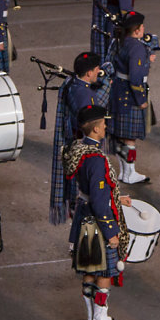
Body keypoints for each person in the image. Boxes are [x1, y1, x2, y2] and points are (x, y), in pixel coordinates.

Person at [63, 104, 134, 320]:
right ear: (95, 130)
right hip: (97, 221)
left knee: (90, 271)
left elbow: (93, 191)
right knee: (104, 273)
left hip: (84, 217)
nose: (106, 126)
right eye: (103, 124)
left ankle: (92, 318)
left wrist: (117, 197)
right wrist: (112, 232)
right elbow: (100, 202)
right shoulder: (97, 159)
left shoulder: (78, 148)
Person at [50, 52, 102, 224]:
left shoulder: (73, 85)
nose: (98, 72)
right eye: (96, 70)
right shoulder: (85, 96)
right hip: (82, 146)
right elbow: (89, 124)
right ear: (89, 73)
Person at [109, 12, 153, 185]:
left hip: (118, 90)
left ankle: (124, 172)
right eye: (141, 27)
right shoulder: (136, 47)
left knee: (121, 134)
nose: (143, 29)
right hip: (130, 94)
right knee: (130, 137)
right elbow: (135, 77)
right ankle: (130, 173)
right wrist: (141, 98)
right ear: (136, 30)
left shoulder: (118, 41)